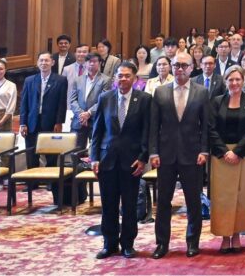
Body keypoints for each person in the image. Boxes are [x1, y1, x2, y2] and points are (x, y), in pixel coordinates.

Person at [148, 52, 211, 259]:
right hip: (165, 155)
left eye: (184, 65)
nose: (180, 69)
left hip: (192, 155)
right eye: (176, 65)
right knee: (163, 202)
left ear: (192, 68)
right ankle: (162, 243)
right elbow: (153, 126)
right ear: (171, 67)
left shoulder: (201, 92)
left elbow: (206, 125)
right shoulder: (160, 92)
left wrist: (204, 150)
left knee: (193, 202)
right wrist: (153, 152)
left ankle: (192, 242)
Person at [89, 61, 150, 260]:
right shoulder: (105, 98)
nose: (123, 79)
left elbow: (146, 132)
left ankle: (128, 244)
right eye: (120, 75)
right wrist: (94, 157)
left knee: (130, 206)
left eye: (127, 76)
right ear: (115, 77)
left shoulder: (144, 99)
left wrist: (143, 158)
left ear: (135, 78)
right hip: (107, 161)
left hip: (132, 162)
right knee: (108, 205)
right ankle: (109, 244)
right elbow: (97, 131)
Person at [207, 66, 245, 254]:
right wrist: (225, 151)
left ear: (243, 81)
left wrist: (236, 152)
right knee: (222, 196)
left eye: (238, 79)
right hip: (221, 155)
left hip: (243, 154)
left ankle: (237, 234)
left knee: (241, 195)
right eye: (231, 79)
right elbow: (211, 128)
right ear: (225, 81)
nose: (234, 83)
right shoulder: (216, 102)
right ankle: (224, 236)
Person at [19, 53, 68, 169]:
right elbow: (24, 103)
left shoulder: (61, 80)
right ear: (37, 63)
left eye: (46, 60)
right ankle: (32, 179)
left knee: (51, 156)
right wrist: (23, 123)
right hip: (31, 123)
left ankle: (50, 179)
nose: (43, 63)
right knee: (31, 156)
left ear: (52, 62)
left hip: (51, 122)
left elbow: (62, 103)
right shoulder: (29, 80)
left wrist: (59, 122)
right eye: (41, 60)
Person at [68, 54, 113, 151]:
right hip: (78, 121)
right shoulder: (77, 79)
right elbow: (72, 100)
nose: (91, 64)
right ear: (85, 63)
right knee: (75, 151)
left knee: (95, 152)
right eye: (89, 61)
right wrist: (81, 115)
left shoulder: (106, 80)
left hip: (96, 121)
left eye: (94, 61)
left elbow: (104, 100)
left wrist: (88, 113)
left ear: (100, 63)